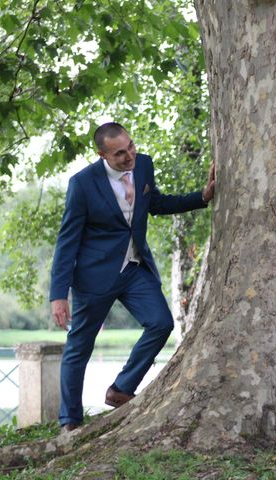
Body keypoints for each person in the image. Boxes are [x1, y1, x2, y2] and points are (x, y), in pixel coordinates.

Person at [50, 122, 215, 433]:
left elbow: (158, 204)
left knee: (161, 323)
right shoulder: (82, 184)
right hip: (93, 277)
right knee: (79, 347)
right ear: (102, 155)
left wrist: (202, 196)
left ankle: (121, 388)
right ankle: (70, 421)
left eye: (131, 147)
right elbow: (67, 241)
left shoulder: (144, 166)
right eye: (120, 153)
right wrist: (58, 294)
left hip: (135, 267)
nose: (130, 156)